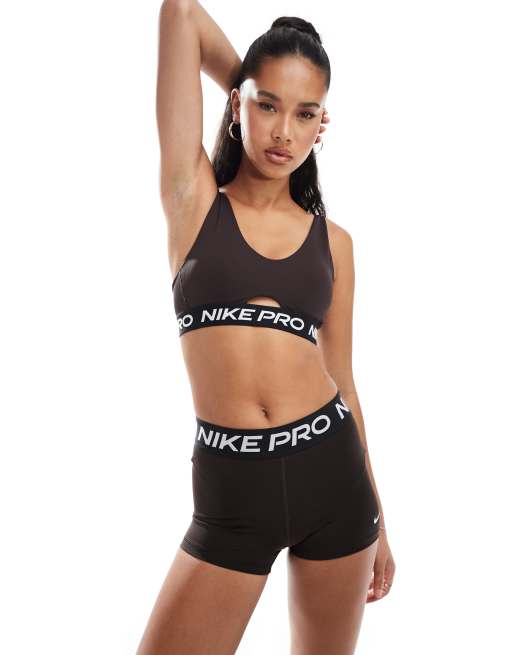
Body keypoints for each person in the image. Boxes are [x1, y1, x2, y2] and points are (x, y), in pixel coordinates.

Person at [137, 1, 395, 653]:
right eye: (268, 106)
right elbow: (180, 13)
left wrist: (380, 518)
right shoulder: (193, 202)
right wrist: (245, 84)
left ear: (321, 125)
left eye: (305, 114)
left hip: (333, 479)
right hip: (233, 494)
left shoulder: (335, 244)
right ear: (237, 105)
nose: (284, 132)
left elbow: (343, 379)